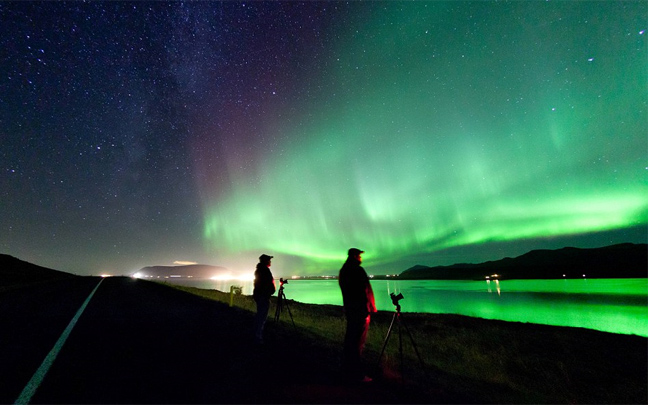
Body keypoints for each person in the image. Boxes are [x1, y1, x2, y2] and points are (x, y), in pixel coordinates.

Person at [338, 248, 376, 383]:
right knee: (357, 342)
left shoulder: (343, 271)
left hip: (350, 309)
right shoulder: (357, 270)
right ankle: (356, 374)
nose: (361, 258)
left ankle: (346, 369)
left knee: (350, 340)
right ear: (355, 256)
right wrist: (371, 306)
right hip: (360, 310)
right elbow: (365, 289)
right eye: (359, 256)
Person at [253, 254, 276, 344]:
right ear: (265, 261)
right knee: (262, 316)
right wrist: (269, 292)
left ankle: (257, 334)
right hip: (263, 296)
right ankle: (257, 337)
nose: (270, 261)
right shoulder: (264, 270)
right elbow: (266, 284)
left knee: (260, 315)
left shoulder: (259, 270)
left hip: (260, 296)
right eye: (269, 260)